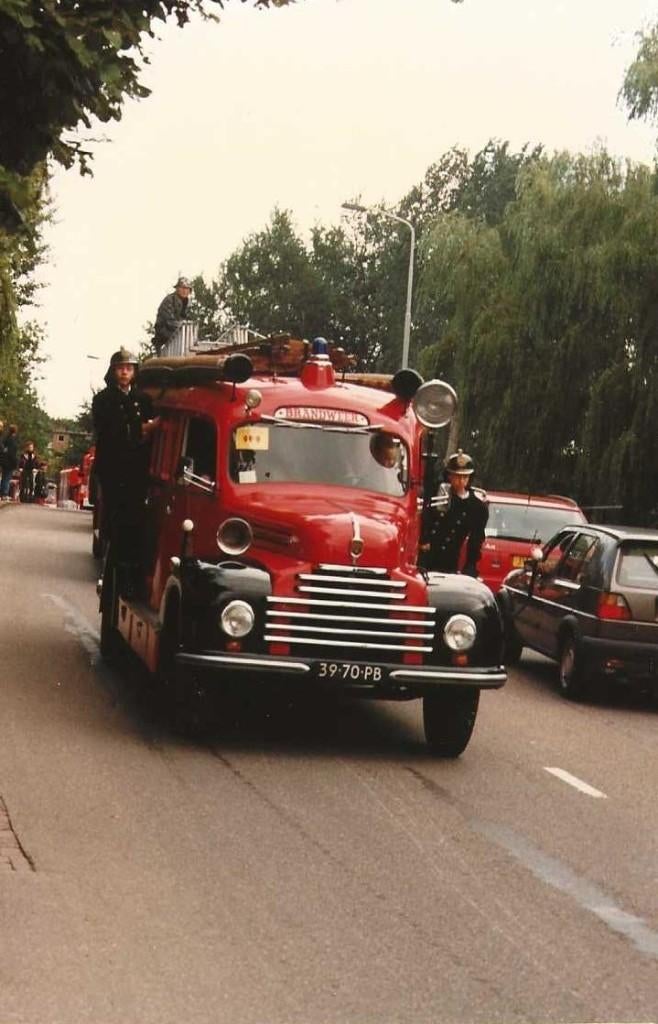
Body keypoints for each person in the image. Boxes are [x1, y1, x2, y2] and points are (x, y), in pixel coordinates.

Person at [91, 348, 160, 594]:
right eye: (121, 368)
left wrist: (146, 430)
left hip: (137, 471)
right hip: (113, 470)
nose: (124, 372)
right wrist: (142, 429)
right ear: (113, 371)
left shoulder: (143, 400)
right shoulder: (103, 400)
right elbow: (110, 432)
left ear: (134, 372)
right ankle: (115, 576)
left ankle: (133, 577)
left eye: (129, 368)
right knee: (115, 523)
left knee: (136, 523)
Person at [421, 449, 488, 577]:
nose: (461, 481)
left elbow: (475, 541)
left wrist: (470, 567)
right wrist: (424, 539)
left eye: (465, 477)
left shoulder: (476, 507)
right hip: (428, 555)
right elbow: (425, 517)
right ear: (449, 476)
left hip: (450, 560)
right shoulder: (438, 495)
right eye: (457, 476)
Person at [154, 276, 192, 354]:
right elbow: (168, 321)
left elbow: (185, 318)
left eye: (187, 289)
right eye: (182, 288)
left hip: (177, 332)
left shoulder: (186, 302)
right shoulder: (169, 300)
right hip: (164, 333)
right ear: (177, 288)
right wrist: (182, 325)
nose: (184, 291)